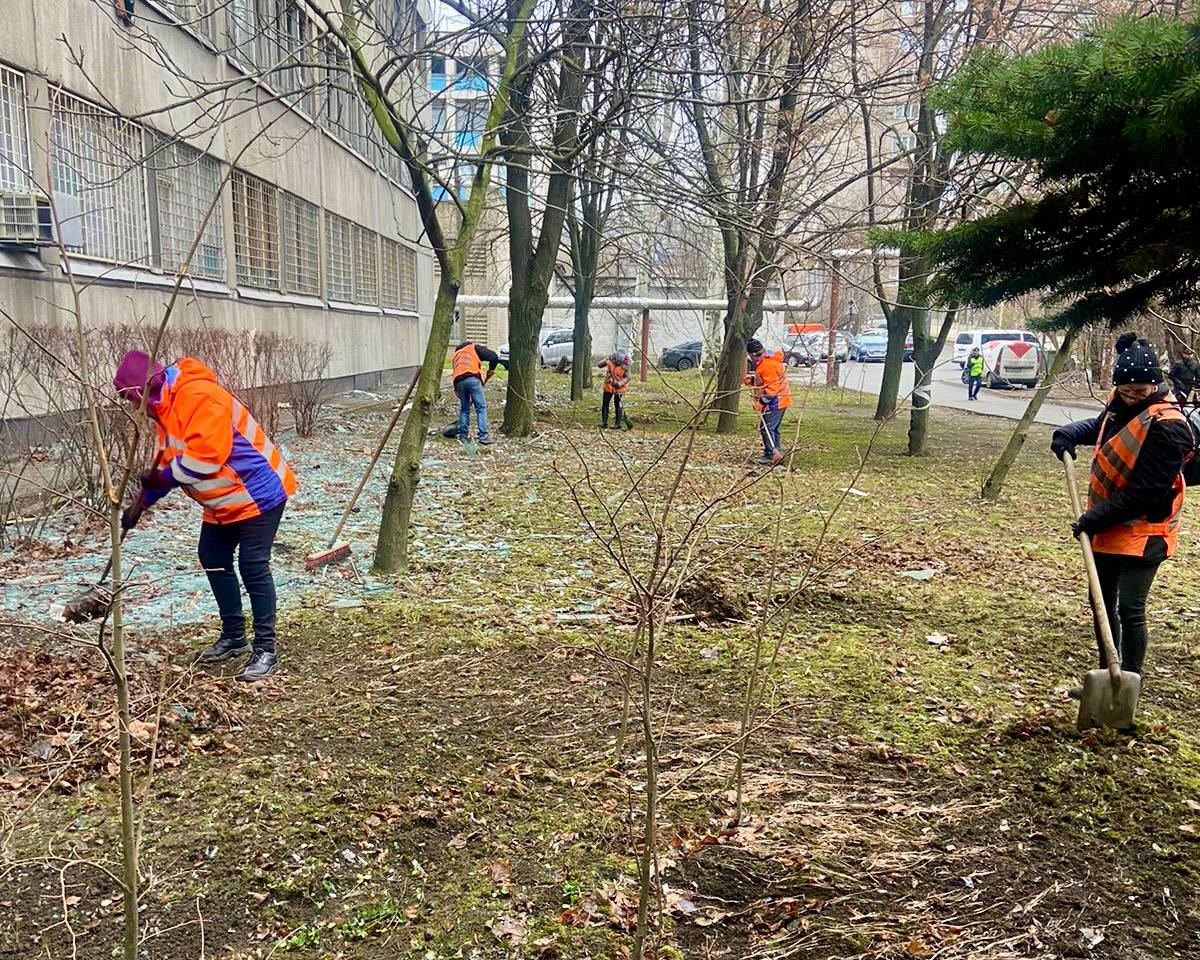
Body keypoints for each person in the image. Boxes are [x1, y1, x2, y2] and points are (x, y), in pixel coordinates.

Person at [114, 350, 296, 682]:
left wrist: (163, 480)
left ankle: (266, 649)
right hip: (224, 501)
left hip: (257, 490)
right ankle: (234, 637)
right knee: (212, 555)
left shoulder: (199, 396)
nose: (130, 406)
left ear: (141, 390)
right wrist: (142, 502)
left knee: (252, 564)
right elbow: (169, 463)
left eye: (129, 398)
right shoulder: (165, 409)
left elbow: (209, 457)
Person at [1050, 333, 1192, 696]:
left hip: (1146, 527)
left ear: (1154, 385)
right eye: (1126, 391)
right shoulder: (1120, 401)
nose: (1131, 397)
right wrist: (1069, 433)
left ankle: (1129, 682)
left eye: (1139, 392)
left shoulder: (1168, 425)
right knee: (1101, 603)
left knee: (1130, 606)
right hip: (1108, 522)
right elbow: (1102, 426)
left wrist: (1091, 520)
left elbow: (1146, 492)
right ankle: (1106, 674)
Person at [743, 338, 791, 466]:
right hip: (782, 399)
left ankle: (771, 454)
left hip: (776, 401)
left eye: (759, 354)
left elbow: (771, 390)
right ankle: (775, 451)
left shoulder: (768, 365)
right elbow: (766, 381)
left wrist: (761, 403)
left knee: (766, 428)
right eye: (756, 355)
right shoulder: (768, 360)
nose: (757, 357)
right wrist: (753, 380)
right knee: (773, 428)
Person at [451, 341, 499, 445]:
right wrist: (491, 370)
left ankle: (463, 435)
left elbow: (456, 372)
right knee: (481, 408)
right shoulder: (473, 348)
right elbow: (494, 356)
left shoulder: (455, 355)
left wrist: (456, 389)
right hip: (473, 379)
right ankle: (484, 436)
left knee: (464, 409)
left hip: (459, 382)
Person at [598, 351, 629, 429]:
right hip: (608, 386)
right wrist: (606, 360)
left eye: (619, 362)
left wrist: (619, 383)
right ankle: (604, 422)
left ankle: (617, 424)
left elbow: (627, 377)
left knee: (618, 405)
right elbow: (599, 365)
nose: (618, 363)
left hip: (619, 388)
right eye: (616, 362)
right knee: (605, 404)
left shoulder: (626, 365)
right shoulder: (610, 360)